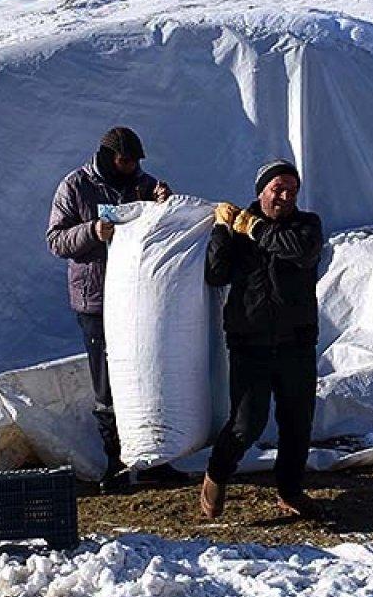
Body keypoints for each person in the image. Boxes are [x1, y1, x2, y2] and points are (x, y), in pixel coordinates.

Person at [46, 126, 171, 491]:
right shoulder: (75, 186)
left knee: (147, 372)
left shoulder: (141, 184)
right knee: (107, 382)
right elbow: (55, 240)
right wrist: (91, 231)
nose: (132, 167)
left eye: (135, 162)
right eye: (126, 160)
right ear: (108, 156)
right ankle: (116, 461)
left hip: (138, 297)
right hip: (96, 300)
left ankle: (151, 457)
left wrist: (164, 202)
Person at [200, 159, 324, 519]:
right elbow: (215, 274)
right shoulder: (239, 231)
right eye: (277, 188)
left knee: (297, 422)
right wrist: (223, 230)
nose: (285, 196)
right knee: (246, 422)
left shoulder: (306, 226)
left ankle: (290, 491)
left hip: (296, 342)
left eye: (292, 189)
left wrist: (253, 227)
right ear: (261, 191)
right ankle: (217, 474)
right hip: (249, 342)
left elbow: (301, 252)